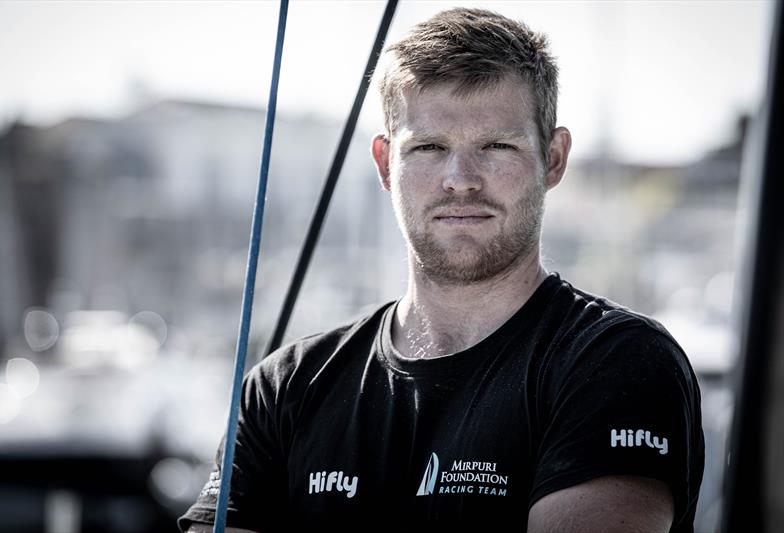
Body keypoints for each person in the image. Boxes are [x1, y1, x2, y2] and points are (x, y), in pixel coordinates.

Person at [180, 7, 704, 533]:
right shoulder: (280, 389)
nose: (460, 179)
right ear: (386, 164)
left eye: (496, 146)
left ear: (553, 158)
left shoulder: (616, 363)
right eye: (429, 147)